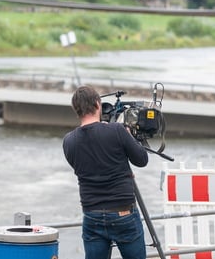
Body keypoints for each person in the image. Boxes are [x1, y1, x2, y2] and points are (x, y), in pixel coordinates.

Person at [63, 85, 150, 259]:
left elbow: (85, 168)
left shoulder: (68, 141)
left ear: (76, 110)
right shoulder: (116, 131)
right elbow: (142, 160)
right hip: (123, 212)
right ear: (98, 104)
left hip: (91, 214)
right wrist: (129, 137)